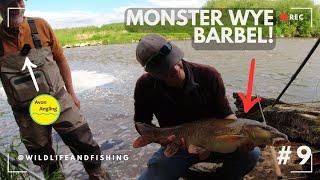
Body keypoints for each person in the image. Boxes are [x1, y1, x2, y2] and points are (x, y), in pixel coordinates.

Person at [0, 0, 110, 179]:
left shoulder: (41, 25)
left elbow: (61, 60)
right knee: (43, 157)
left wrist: (72, 93)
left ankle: (97, 175)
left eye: (20, 1)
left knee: (84, 143)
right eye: (10, 2)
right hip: (26, 113)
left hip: (59, 99)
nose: (17, 7)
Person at [134, 34, 261, 180]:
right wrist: (164, 140)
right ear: (153, 73)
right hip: (177, 147)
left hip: (215, 143)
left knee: (252, 154)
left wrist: (242, 137)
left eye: (175, 61)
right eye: (166, 69)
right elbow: (141, 124)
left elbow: (227, 115)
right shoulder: (144, 86)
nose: (175, 69)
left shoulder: (208, 75)